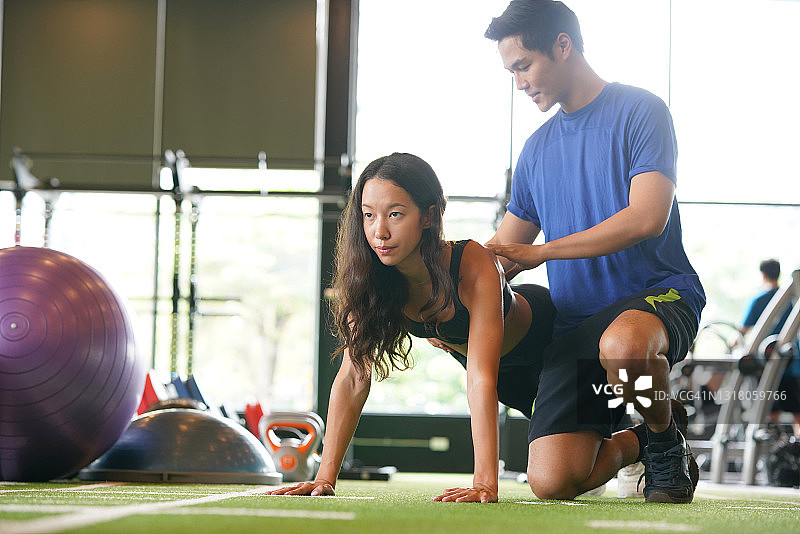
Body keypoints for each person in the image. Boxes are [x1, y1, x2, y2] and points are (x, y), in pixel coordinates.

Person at [482, 0, 705, 503]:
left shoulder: (641, 110)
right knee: (552, 482)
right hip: (576, 329)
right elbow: (504, 251)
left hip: (656, 298)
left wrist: (546, 253)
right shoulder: (537, 149)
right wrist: (443, 295)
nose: (519, 82)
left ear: (563, 46)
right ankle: (644, 434)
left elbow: (647, 217)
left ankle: (667, 445)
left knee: (622, 348)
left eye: (523, 65)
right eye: (511, 71)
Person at [267, 152, 556, 503]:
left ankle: (637, 436)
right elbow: (353, 376)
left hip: (554, 346)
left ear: (429, 216)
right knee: (566, 470)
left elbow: (481, 376)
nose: (379, 231)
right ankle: (623, 439)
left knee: (556, 478)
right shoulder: (371, 281)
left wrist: (485, 482)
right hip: (508, 382)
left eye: (395, 214)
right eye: (369, 215)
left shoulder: (472, 262)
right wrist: (324, 477)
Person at [740, 259, 800, 437]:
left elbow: (743, 330)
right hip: (791, 364)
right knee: (796, 412)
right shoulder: (791, 299)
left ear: (763, 275)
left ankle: (774, 449)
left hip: (769, 366)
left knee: (771, 411)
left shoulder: (759, 299)